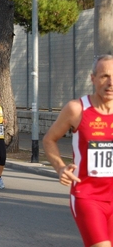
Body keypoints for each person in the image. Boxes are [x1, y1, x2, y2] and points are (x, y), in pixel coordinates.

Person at [43, 54, 113, 247]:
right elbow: (49, 139)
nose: (111, 83)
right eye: (104, 76)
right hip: (88, 197)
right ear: (93, 78)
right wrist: (60, 168)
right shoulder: (77, 109)